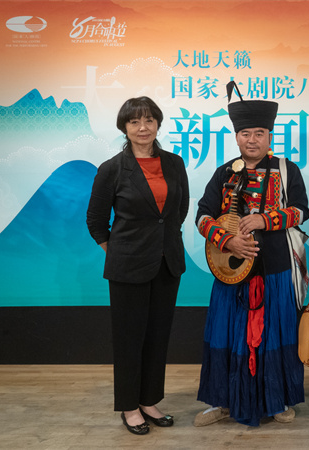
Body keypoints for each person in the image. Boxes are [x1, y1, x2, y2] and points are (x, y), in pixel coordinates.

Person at [193, 86, 309, 427]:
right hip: (230, 273)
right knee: (226, 336)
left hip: (275, 270)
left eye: (259, 133)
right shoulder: (224, 173)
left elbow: (301, 211)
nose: (252, 140)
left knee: (275, 335)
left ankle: (277, 401)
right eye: (246, 133)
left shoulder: (287, 169)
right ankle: (223, 402)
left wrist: (265, 220)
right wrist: (227, 241)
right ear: (237, 136)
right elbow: (202, 216)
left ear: (269, 135)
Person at [86, 97, 189, 435]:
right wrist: (119, 251)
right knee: (129, 339)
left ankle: (149, 400)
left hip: (167, 262)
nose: (143, 127)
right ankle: (129, 407)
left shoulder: (174, 163)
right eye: (134, 122)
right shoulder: (112, 168)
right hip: (128, 266)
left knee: (158, 337)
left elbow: (179, 210)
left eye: (149, 120)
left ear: (158, 124)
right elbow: (96, 221)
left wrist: (161, 243)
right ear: (125, 128)